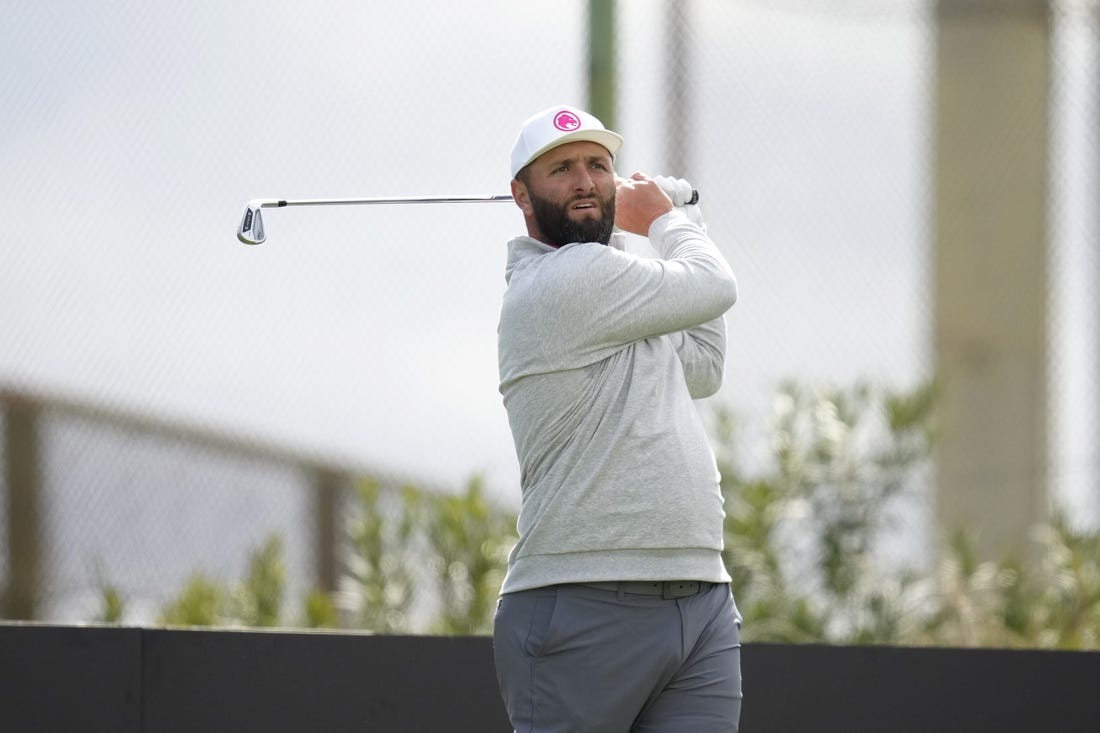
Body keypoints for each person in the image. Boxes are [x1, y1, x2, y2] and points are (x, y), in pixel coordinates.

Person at [492, 104, 742, 733]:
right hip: (581, 599)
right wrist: (667, 219)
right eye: (562, 169)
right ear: (521, 196)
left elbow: (705, 365)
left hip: (699, 596)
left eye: (598, 165)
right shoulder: (562, 280)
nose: (584, 180)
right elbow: (713, 283)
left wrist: (684, 219)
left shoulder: (617, 295)